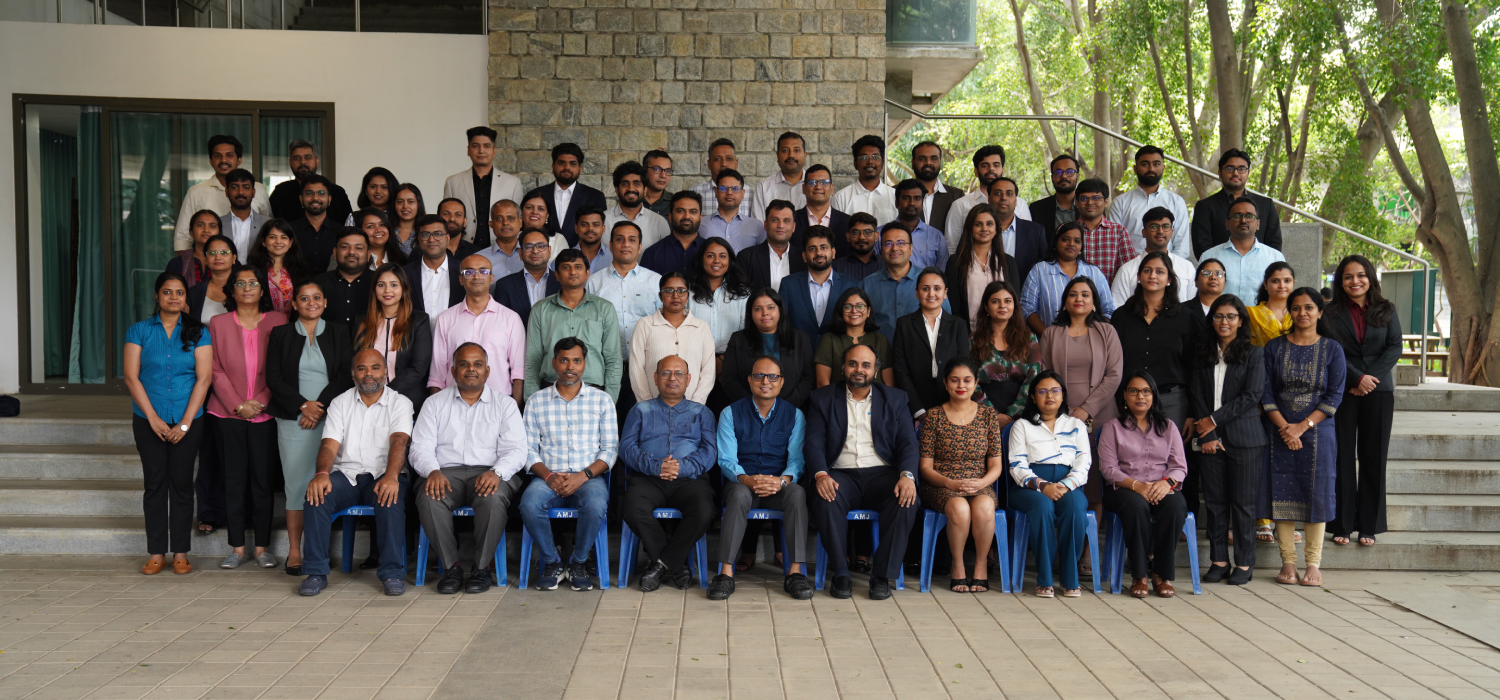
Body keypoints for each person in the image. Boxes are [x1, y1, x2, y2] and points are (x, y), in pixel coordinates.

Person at [805, 344, 922, 599]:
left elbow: (907, 444)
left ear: (876, 371)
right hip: (840, 474)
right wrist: (821, 474)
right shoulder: (822, 398)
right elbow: (813, 443)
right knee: (826, 499)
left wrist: (907, 476)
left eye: (866, 365)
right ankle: (841, 573)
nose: (859, 370)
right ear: (843, 368)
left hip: (882, 474)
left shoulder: (896, 398)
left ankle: (881, 575)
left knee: (906, 500)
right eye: (853, 364)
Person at [411, 343, 528, 594]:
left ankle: (482, 567)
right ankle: (451, 567)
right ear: (453, 371)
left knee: (493, 499)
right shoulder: (434, 404)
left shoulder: (505, 405)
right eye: (464, 364)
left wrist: (497, 472)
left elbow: (517, 450)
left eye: (477, 365)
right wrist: (432, 471)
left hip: (490, 472)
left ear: (487, 371)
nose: (470, 369)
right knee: (430, 498)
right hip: (444, 473)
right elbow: (419, 447)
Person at [298, 349, 415, 597]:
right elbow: (329, 444)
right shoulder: (340, 403)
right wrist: (321, 474)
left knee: (391, 498)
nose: (368, 374)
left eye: (375, 368)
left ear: (386, 372)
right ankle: (316, 571)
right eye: (362, 368)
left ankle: (392, 572)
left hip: (385, 474)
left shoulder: (400, 403)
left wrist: (392, 476)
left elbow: (399, 442)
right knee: (316, 494)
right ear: (353, 374)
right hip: (347, 476)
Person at [124, 272, 213, 575]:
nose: (174, 297)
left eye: (179, 293)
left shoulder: (199, 331)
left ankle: (181, 552)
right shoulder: (139, 330)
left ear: (186, 298)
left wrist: (185, 423)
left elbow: (204, 379)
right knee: (154, 484)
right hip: (148, 418)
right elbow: (131, 377)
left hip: (189, 419)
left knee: (182, 485)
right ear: (157, 296)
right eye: (167, 292)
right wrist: (153, 418)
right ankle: (156, 552)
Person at [266, 280, 354, 577]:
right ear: (294, 304)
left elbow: (346, 374)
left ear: (325, 302)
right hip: (294, 421)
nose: (311, 302)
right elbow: (274, 378)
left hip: (332, 418)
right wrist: (303, 406)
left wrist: (319, 406)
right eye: (304, 298)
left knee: (324, 481)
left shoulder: (340, 332)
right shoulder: (280, 334)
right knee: (296, 486)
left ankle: (318, 551)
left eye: (317, 297)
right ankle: (294, 551)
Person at [1261, 287, 1346, 588]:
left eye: (1309, 308)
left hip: (1318, 433)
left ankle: (1313, 563)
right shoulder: (1274, 347)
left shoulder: (1332, 349)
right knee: (1283, 493)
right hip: (1279, 429)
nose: (1302, 314)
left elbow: (1335, 396)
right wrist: (1286, 427)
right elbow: (1265, 392)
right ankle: (1288, 561)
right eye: (1296, 308)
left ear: (1320, 312)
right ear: (1289, 312)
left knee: (1316, 495)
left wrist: (1302, 426)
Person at [711, 355, 814, 600]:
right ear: (749, 380)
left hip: (779, 486)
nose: (765, 381)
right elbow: (726, 458)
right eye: (759, 375)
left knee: (798, 493)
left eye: (772, 377)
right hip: (744, 485)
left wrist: (782, 481)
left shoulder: (795, 415)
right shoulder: (730, 413)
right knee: (736, 494)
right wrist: (746, 479)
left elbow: (797, 460)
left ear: (781, 382)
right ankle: (725, 574)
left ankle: (795, 573)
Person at [521, 338, 619, 591]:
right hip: (547, 478)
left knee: (596, 504)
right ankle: (552, 561)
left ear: (585, 364)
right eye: (564, 360)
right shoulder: (536, 401)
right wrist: (549, 476)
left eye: (576, 360)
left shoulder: (602, 400)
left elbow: (610, 450)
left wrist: (583, 475)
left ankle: (578, 562)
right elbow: (528, 450)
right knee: (529, 504)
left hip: (588, 478)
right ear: (554, 363)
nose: (570, 367)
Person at [208, 265, 288, 570]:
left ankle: (262, 548)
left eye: (253, 283)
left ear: (262, 289)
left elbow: (283, 367)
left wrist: (262, 401)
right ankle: (237, 548)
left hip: (266, 415)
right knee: (233, 480)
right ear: (232, 291)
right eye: (240, 283)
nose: (246, 288)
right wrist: (238, 405)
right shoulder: (218, 323)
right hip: (226, 414)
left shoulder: (279, 321)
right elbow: (214, 369)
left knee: (262, 482)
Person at [618, 356, 719, 591]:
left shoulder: (701, 412)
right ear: (655, 378)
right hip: (648, 479)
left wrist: (681, 467)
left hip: (689, 480)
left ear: (688, 380)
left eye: (678, 374)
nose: (672, 378)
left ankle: (661, 564)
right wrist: (656, 466)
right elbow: (626, 447)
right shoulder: (640, 410)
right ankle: (678, 564)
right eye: (665, 373)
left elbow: (710, 452)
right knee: (631, 507)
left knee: (704, 510)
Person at [1321, 255, 1401, 547]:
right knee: (1341, 457)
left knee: (1373, 457)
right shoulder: (1329, 314)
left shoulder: (1386, 309)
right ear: (1340, 282)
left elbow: (1394, 347)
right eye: (1348, 277)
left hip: (1378, 393)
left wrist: (1369, 380)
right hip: (1342, 390)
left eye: (1360, 275)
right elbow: (1332, 350)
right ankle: (1341, 523)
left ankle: (1369, 525)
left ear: (1370, 277)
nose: (1355, 281)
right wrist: (1356, 379)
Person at [1189, 294, 1265, 586]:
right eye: (1219, 316)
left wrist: (1213, 421)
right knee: (1216, 503)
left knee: (1243, 504)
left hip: (1245, 439)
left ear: (1241, 321)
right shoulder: (1202, 353)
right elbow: (1196, 394)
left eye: (1231, 316)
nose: (1224, 321)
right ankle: (1219, 561)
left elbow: (1251, 396)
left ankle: (1244, 563)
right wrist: (1207, 432)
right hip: (1210, 439)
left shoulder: (1254, 354)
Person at [1097, 371, 1189, 598]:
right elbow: (1108, 469)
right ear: (1125, 397)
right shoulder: (1113, 427)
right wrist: (1137, 486)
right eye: (1134, 391)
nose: (1141, 396)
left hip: (1160, 486)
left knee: (1176, 506)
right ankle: (1139, 576)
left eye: (1146, 391)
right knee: (1136, 506)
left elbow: (1180, 466)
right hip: (1124, 489)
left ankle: (1161, 574)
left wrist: (1166, 483)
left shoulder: (1168, 426)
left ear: (1154, 397)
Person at [918, 357, 1005, 592]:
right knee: (959, 508)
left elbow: (996, 465)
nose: (961, 385)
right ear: (946, 383)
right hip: (941, 484)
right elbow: (925, 468)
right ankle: (958, 567)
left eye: (967, 380)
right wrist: (951, 483)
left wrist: (981, 483)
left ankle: (980, 566)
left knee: (985, 507)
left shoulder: (988, 416)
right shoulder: (933, 417)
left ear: (976, 383)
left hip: (980, 482)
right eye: (955, 380)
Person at [1006, 371, 1090, 597]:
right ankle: (1044, 578)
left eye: (1055, 391)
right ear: (1033, 397)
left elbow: (1083, 462)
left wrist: (1065, 485)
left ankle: (1070, 577)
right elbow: (1017, 466)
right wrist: (1043, 486)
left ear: (1063, 396)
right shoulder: (1021, 426)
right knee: (1042, 508)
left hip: (1068, 484)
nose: (1049, 396)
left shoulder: (1076, 425)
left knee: (1075, 510)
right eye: (1042, 391)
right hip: (1028, 487)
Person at [1111, 252, 1198, 429]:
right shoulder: (1121, 316)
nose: (1152, 276)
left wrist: (1192, 413)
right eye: (1147, 270)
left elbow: (1194, 366)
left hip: (1172, 401)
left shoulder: (1185, 317)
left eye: (1159, 271)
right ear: (1138, 277)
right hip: (1129, 400)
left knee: (1169, 456)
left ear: (1169, 280)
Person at [523, 250, 623, 401]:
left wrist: (610, 400)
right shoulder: (540, 309)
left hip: (593, 390)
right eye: (566, 267)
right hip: (549, 389)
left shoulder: (604, 308)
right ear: (556, 275)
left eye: (578, 267)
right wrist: (531, 400)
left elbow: (613, 358)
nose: (572, 272)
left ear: (587, 272)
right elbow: (533, 358)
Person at [429, 255, 526, 406]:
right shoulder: (445, 319)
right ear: (461, 280)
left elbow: (518, 372)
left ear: (491, 278)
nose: (476, 276)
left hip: (499, 403)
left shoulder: (511, 319)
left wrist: (515, 409)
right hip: (453, 404)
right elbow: (437, 373)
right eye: (469, 272)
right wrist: (437, 408)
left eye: (483, 271)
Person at [588, 222, 663, 416]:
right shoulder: (593, 283)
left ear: (640, 247)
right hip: (604, 369)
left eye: (632, 240)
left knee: (642, 423)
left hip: (645, 368)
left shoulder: (656, 282)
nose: (625, 244)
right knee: (606, 422)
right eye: (619, 239)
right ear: (611, 245)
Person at [1038, 277, 1124, 430]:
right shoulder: (1050, 334)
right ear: (1065, 302)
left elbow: (1114, 375)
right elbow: (1045, 376)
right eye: (1072, 294)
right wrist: (1065, 411)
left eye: (1085, 295)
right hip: (1060, 415)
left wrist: (1087, 409)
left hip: (1102, 413)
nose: (1079, 298)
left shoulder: (1108, 331)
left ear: (1094, 303)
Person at [893, 269, 972, 419]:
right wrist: (918, 410)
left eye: (937, 289)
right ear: (917, 293)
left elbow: (963, 367)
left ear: (945, 293)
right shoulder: (904, 324)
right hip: (915, 404)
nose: (931, 294)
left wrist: (953, 405)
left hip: (951, 403)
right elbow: (900, 370)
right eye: (925, 289)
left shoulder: (958, 325)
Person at [719, 288, 816, 409]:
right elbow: (729, 379)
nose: (765, 313)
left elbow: (808, 379)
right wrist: (753, 406)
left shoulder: (800, 339)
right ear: (751, 313)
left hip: (791, 409)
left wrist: (785, 407)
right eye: (758, 309)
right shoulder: (738, 339)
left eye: (771, 307)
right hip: (748, 410)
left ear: (780, 310)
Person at [630, 272, 716, 404]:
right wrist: (647, 405)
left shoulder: (701, 327)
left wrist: (695, 405)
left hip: (692, 408)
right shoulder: (645, 325)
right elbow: (636, 370)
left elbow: (708, 371)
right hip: (652, 407)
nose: (675, 296)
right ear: (660, 296)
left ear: (687, 295)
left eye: (681, 291)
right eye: (669, 291)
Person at [357, 263, 434, 411]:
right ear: (374, 289)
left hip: (406, 400)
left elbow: (418, 367)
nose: (387, 290)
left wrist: (384, 394)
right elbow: (356, 361)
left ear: (404, 288)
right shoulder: (362, 320)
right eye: (381, 285)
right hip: (367, 401)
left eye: (394, 285)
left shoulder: (418, 320)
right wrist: (372, 396)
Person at [173, 135, 270, 250]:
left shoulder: (259, 190)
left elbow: (270, 230)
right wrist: (190, 268)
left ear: (239, 160)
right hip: (211, 266)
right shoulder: (196, 193)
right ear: (211, 161)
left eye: (229, 155)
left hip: (254, 266)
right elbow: (183, 238)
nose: (223, 160)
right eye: (217, 156)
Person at [1021, 222, 1115, 334]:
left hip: (1089, 345)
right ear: (1056, 242)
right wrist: (1049, 337)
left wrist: (1094, 335)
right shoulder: (1040, 270)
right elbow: (1027, 308)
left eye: (1077, 241)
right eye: (1065, 239)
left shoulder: (1093, 272)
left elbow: (1108, 309)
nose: (1071, 244)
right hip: (1048, 344)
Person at [444, 126, 525, 249]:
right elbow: (446, 220)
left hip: (499, 249)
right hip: (462, 249)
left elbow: (517, 223)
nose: (481, 151)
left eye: (486, 146)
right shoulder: (453, 182)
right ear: (468, 150)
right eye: (475, 146)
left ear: (494, 151)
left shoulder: (512, 183)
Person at [1191, 149, 1282, 256]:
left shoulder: (1266, 205)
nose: (1235, 173)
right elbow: (1201, 247)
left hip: (1259, 269)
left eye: (1241, 169)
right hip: (1219, 270)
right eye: (1230, 168)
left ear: (1248, 173)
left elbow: (1274, 245)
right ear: (1220, 173)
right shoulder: (1205, 206)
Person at [972, 280, 1042, 421]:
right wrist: (993, 415)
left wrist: (1013, 413)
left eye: (1008, 301)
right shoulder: (973, 341)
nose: (1002, 305)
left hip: (1023, 413)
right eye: (995, 301)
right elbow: (969, 381)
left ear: (1014, 306)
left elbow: (1034, 378)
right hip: (982, 414)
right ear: (986, 307)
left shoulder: (1029, 339)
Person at [945, 203, 1021, 329]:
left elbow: (1014, 302)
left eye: (989, 224)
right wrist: (964, 337)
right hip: (968, 335)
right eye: (978, 224)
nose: (984, 228)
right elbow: (953, 306)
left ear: (996, 229)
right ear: (970, 228)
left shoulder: (1008, 262)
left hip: (1002, 335)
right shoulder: (956, 262)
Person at [944, 145, 1032, 253]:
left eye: (996, 165)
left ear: (1003, 170)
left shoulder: (1020, 204)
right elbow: (951, 247)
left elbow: (1028, 242)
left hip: (1015, 268)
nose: (991, 169)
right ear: (976, 172)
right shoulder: (960, 206)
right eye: (985, 165)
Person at [1107, 146, 1192, 257]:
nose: (1151, 169)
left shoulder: (1176, 202)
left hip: (1168, 269)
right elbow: (1113, 245)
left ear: (1163, 168)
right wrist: (1132, 269)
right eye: (1145, 164)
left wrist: (1167, 270)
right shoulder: (1120, 203)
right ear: (1135, 169)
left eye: (1156, 164)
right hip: (1131, 269)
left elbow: (1182, 248)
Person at [781, 227, 858, 346]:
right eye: (812, 249)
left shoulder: (851, 285)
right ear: (804, 256)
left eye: (824, 247)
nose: (819, 253)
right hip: (798, 358)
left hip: (839, 358)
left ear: (833, 253)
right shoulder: (788, 285)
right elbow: (782, 325)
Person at [1202, 196, 1288, 302]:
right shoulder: (1210, 256)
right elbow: (1202, 295)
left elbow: (1282, 296)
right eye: (1237, 216)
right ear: (1227, 224)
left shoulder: (1274, 257)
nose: (1243, 220)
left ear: (1258, 224)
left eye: (1249, 216)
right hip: (1222, 318)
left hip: (1261, 318)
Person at [864, 224, 946, 335]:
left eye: (901, 243)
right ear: (881, 250)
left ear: (911, 249)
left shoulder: (932, 281)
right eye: (888, 243)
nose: (894, 248)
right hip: (880, 351)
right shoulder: (867, 285)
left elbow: (947, 322)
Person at [1110, 207, 1198, 308]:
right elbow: (1118, 308)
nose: (1160, 231)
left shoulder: (1186, 267)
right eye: (1154, 226)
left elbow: (1193, 307)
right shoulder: (1127, 270)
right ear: (1143, 232)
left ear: (1171, 233)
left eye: (1165, 226)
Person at [524, 143, 607, 245]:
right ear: (553, 167)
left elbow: (598, 233)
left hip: (582, 258)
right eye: (561, 163)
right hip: (543, 256)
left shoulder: (594, 197)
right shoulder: (537, 195)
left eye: (572, 163)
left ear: (580, 169)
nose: (566, 167)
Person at [815, 287, 895, 387]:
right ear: (841, 311)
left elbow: (889, 383)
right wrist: (833, 403)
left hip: (876, 400)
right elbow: (822, 382)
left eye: (860, 306)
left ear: (868, 311)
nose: (854, 310)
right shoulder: (829, 339)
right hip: (837, 400)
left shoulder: (880, 340)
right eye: (848, 306)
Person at [686, 237, 751, 357]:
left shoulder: (742, 293)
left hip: (732, 359)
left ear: (730, 261)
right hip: (693, 358)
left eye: (722, 256)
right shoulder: (687, 291)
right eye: (710, 256)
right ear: (701, 260)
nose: (717, 261)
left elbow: (745, 331)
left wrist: (724, 359)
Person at [984, 177, 1049, 292]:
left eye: (1009, 194)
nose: (1003, 198)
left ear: (1016, 200)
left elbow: (1044, 271)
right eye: (998, 193)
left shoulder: (1035, 232)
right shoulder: (978, 230)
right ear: (989, 199)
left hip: (1024, 299)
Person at [269, 140, 352, 225]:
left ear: (317, 161)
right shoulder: (280, 192)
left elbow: (347, 226)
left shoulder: (336, 192)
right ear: (290, 163)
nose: (302, 162)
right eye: (297, 158)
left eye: (308, 157)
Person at [492, 228, 561, 328]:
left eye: (541, 246)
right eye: (528, 247)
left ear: (549, 251)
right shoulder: (504, 286)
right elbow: (500, 325)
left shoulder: (563, 282)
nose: (535, 251)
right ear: (520, 253)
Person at [1072, 178, 1136, 283]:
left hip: (1111, 296)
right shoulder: (1067, 232)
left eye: (1096, 198)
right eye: (1084, 199)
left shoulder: (1119, 232)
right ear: (1077, 203)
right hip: (1074, 297)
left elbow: (1129, 271)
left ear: (1106, 202)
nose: (1090, 203)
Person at [402, 214, 464, 321]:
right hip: (416, 337)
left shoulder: (463, 271)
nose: (431, 239)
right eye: (425, 234)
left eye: (438, 234)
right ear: (419, 239)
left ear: (447, 238)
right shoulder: (404, 274)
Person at [312, 229, 375, 328]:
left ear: (368, 255)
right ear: (335, 253)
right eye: (345, 247)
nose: (351, 252)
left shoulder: (379, 282)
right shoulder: (317, 284)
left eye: (358, 248)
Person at [739, 200, 805, 291]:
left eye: (786, 221)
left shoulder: (804, 258)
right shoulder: (746, 257)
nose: (780, 225)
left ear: (793, 227)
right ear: (765, 225)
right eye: (775, 220)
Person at [831, 136, 897, 226]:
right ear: (855, 164)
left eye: (875, 157)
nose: (870, 162)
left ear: (883, 163)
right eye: (864, 158)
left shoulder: (895, 196)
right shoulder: (841, 198)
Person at [605, 161, 671, 250]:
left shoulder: (659, 222)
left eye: (636, 184)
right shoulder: (602, 220)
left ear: (645, 190)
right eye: (625, 184)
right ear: (616, 190)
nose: (631, 188)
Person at [640, 191, 707, 276]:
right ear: (670, 217)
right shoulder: (652, 253)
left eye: (693, 212)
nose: (686, 216)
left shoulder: (711, 251)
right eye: (680, 211)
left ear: (700, 218)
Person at [793, 164, 851, 257]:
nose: (818, 187)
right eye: (812, 182)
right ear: (804, 188)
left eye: (824, 182)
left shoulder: (847, 222)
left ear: (832, 188)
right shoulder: (792, 220)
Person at [289, 175, 343, 273]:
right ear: (301, 199)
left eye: (321, 193)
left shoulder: (342, 232)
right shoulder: (289, 231)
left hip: (331, 288)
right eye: (309, 193)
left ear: (329, 199)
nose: (315, 198)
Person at [701, 169, 762, 253]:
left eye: (735, 188)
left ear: (743, 193)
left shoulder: (757, 226)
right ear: (716, 192)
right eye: (723, 188)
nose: (729, 192)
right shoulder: (702, 224)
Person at [910, 141, 964, 237]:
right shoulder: (896, 193)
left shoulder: (957, 196)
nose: (928, 163)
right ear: (913, 163)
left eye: (933, 158)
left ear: (940, 162)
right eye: (922, 158)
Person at [893, 180, 949, 271]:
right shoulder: (881, 235)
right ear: (896, 203)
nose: (912, 203)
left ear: (922, 203)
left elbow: (941, 274)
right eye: (906, 198)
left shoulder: (936, 237)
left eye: (917, 198)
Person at [692, 138, 753, 219]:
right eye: (718, 159)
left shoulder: (751, 194)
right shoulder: (695, 193)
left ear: (736, 163)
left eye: (729, 159)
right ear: (709, 164)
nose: (724, 164)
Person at [752, 131, 809, 216]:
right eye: (785, 150)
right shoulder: (763, 187)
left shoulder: (816, 186)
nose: (791, 155)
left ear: (805, 155)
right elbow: (759, 225)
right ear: (777, 155)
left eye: (796, 150)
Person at [1027, 154, 1081, 242]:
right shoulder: (1036, 209)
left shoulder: (1089, 207)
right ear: (1052, 178)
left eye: (1069, 172)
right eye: (1058, 172)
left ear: (1077, 177)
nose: (1064, 176)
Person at [187, 235, 238, 322]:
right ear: (206, 259)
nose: (217, 257)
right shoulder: (193, 293)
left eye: (224, 253)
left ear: (233, 258)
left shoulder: (245, 289)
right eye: (212, 253)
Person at [221, 169, 270, 256]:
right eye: (234, 187)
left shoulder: (268, 224)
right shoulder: (217, 224)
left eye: (246, 187)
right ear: (226, 192)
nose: (240, 192)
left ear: (253, 192)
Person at [168, 209, 221, 288]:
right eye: (200, 225)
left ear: (219, 233)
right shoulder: (176, 264)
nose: (206, 230)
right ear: (191, 232)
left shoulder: (229, 262)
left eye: (212, 226)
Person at [1248, 262, 1296, 347]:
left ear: (1293, 284)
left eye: (1287, 281)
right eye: (1275, 281)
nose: (1282, 285)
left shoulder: (1299, 314)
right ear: (1265, 285)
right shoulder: (1250, 313)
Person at [479, 200, 526, 278]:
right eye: (499, 219)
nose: (505, 223)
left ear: (520, 222)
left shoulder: (534, 256)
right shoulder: (480, 259)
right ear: (491, 224)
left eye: (510, 218)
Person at [831, 213, 883, 281]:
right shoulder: (836, 267)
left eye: (867, 232)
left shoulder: (886, 265)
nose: (861, 237)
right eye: (856, 232)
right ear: (848, 236)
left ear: (876, 236)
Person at [358, 167, 401, 243]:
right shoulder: (354, 217)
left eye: (384, 187)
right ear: (365, 190)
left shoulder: (400, 215)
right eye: (373, 187)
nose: (378, 191)